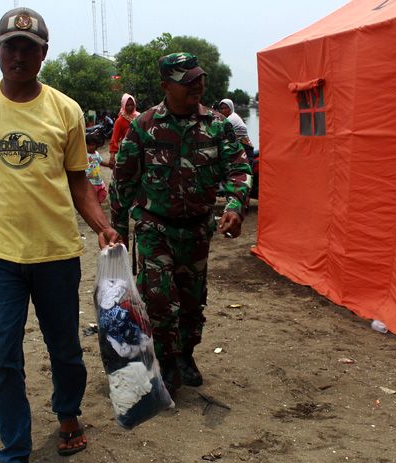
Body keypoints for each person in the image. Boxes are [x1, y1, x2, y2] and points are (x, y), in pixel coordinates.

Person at [0, 7, 120, 463]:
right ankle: (15, 447)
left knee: (65, 348)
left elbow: (78, 181)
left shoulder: (65, 110)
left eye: (29, 48)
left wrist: (102, 225)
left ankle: (68, 413)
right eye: (10, 46)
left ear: (43, 54)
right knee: (3, 357)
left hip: (56, 254)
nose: (19, 55)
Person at [109, 53, 252, 398]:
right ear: (165, 86)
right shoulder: (143, 126)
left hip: (197, 231)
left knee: (191, 300)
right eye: (186, 80)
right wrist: (117, 234)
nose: (197, 85)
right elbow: (123, 182)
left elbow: (238, 168)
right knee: (158, 299)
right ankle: (167, 361)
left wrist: (235, 205)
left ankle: (186, 355)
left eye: (198, 78)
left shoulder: (217, 126)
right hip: (154, 229)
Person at [108, 93, 139, 168]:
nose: (130, 107)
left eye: (132, 105)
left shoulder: (139, 118)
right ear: (123, 105)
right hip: (125, 154)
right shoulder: (120, 121)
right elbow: (114, 139)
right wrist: (112, 156)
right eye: (127, 105)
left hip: (139, 153)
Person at [85, 131, 108, 203]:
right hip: (90, 182)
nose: (91, 147)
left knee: (102, 195)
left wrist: (110, 165)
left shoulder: (97, 154)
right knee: (92, 200)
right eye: (89, 145)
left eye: (93, 145)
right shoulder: (84, 155)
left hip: (98, 180)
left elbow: (101, 162)